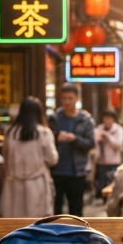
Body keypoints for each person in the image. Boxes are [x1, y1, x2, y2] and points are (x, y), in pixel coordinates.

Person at [0, 97, 59, 218]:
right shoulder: (43, 133)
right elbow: (52, 159)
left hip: (13, 186)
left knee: (15, 225)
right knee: (37, 225)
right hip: (37, 185)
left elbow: (6, 158)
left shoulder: (10, 133)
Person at [48, 83, 96, 216]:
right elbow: (46, 141)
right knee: (55, 210)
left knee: (76, 210)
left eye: (70, 98)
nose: (67, 101)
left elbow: (90, 143)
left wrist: (74, 139)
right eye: (64, 98)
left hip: (76, 172)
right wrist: (57, 137)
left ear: (77, 98)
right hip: (55, 170)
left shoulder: (85, 120)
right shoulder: (54, 118)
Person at [94, 110, 123, 202]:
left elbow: (119, 144)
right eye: (105, 118)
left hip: (113, 161)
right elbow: (93, 143)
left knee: (113, 183)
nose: (107, 120)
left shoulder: (118, 130)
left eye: (109, 118)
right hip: (100, 160)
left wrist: (108, 136)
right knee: (101, 183)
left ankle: (113, 201)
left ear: (113, 119)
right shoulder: (98, 129)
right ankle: (103, 201)